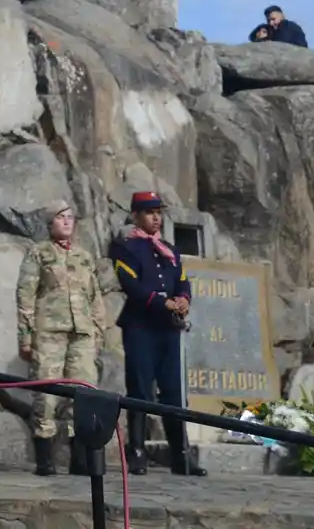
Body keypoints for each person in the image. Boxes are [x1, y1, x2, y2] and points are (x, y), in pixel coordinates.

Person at [109, 191, 205, 477]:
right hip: (141, 327)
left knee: (174, 393)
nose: (156, 218)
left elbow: (182, 281)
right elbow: (132, 285)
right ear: (136, 215)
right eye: (150, 212)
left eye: (158, 213)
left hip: (167, 330)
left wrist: (185, 299)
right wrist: (162, 302)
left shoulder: (170, 250)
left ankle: (181, 454)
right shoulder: (125, 248)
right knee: (139, 389)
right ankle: (137, 453)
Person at [16, 200, 107, 476]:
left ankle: (79, 457)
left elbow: (95, 298)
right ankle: (45, 458)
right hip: (49, 333)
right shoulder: (39, 253)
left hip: (81, 334)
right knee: (47, 394)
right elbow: (25, 295)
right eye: (60, 217)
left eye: (70, 217)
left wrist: (98, 332)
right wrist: (26, 336)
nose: (67, 222)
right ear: (50, 223)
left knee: (83, 393)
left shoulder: (84, 256)